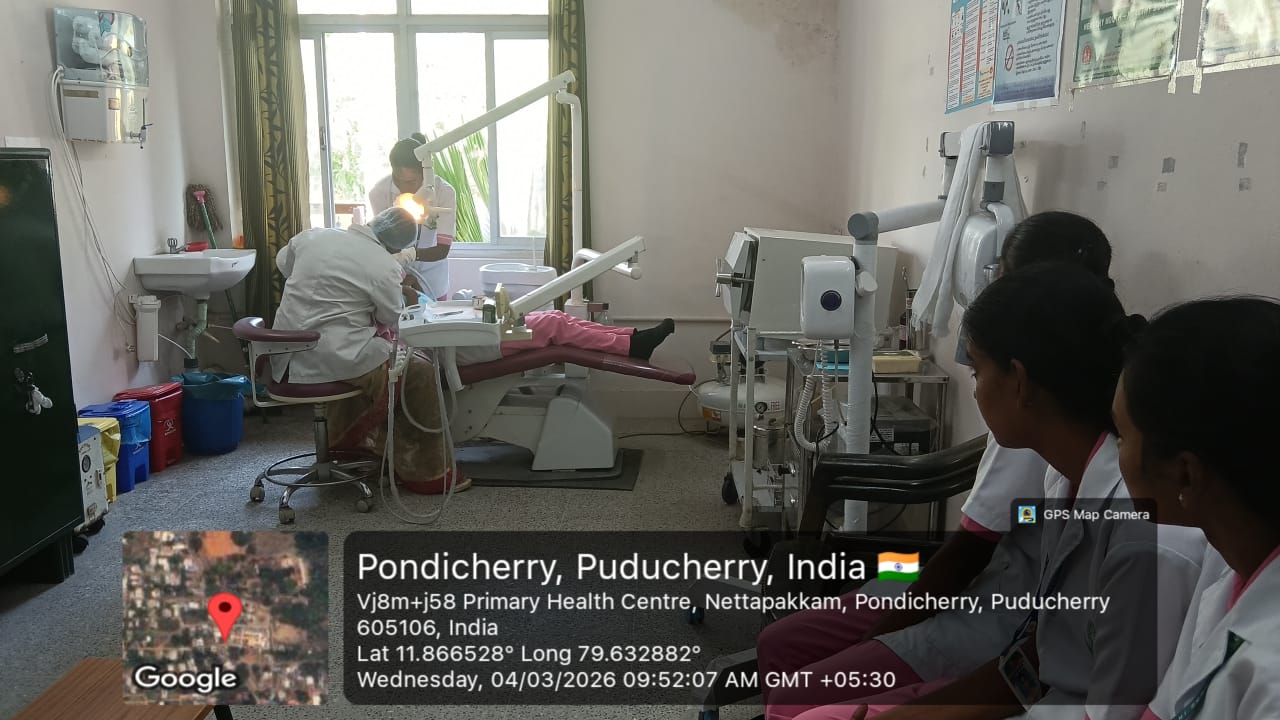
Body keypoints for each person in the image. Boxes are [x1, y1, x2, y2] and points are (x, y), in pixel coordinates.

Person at [757, 211, 1117, 719]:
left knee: (801, 692)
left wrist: (869, 648)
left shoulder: (1058, 445)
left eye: (977, 371)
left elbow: (970, 557)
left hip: (981, 603)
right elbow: (1026, 527)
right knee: (789, 640)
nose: (973, 383)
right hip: (962, 584)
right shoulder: (1064, 467)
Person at [838, 264, 1204, 720]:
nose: (975, 393)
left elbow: (1110, 707)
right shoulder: (1061, 478)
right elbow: (1040, 656)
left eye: (977, 372)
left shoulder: (1143, 539)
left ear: (1019, 380)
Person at [1115, 297, 1280, 720]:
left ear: (1185, 475)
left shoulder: (1271, 679)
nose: (1117, 452)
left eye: (1123, 435)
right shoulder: (1230, 564)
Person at [273, 207, 465, 495]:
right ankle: (428, 472)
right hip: (335, 355)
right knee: (419, 372)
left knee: (387, 361)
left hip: (282, 353)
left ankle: (349, 450)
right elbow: (391, 317)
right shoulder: (383, 266)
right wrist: (405, 294)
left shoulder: (313, 237)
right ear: (396, 247)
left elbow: (283, 264)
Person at [369, 133, 457, 301]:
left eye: (411, 182)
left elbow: (442, 249)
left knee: (434, 315)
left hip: (433, 277)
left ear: (424, 173)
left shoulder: (444, 192)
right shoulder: (379, 193)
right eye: (399, 180)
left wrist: (410, 254)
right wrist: (402, 276)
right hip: (398, 277)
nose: (405, 188)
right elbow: (383, 245)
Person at [454, 315, 677, 366]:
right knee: (553, 325)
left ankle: (629, 337)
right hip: (472, 344)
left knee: (557, 316)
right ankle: (631, 347)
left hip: (473, 333)